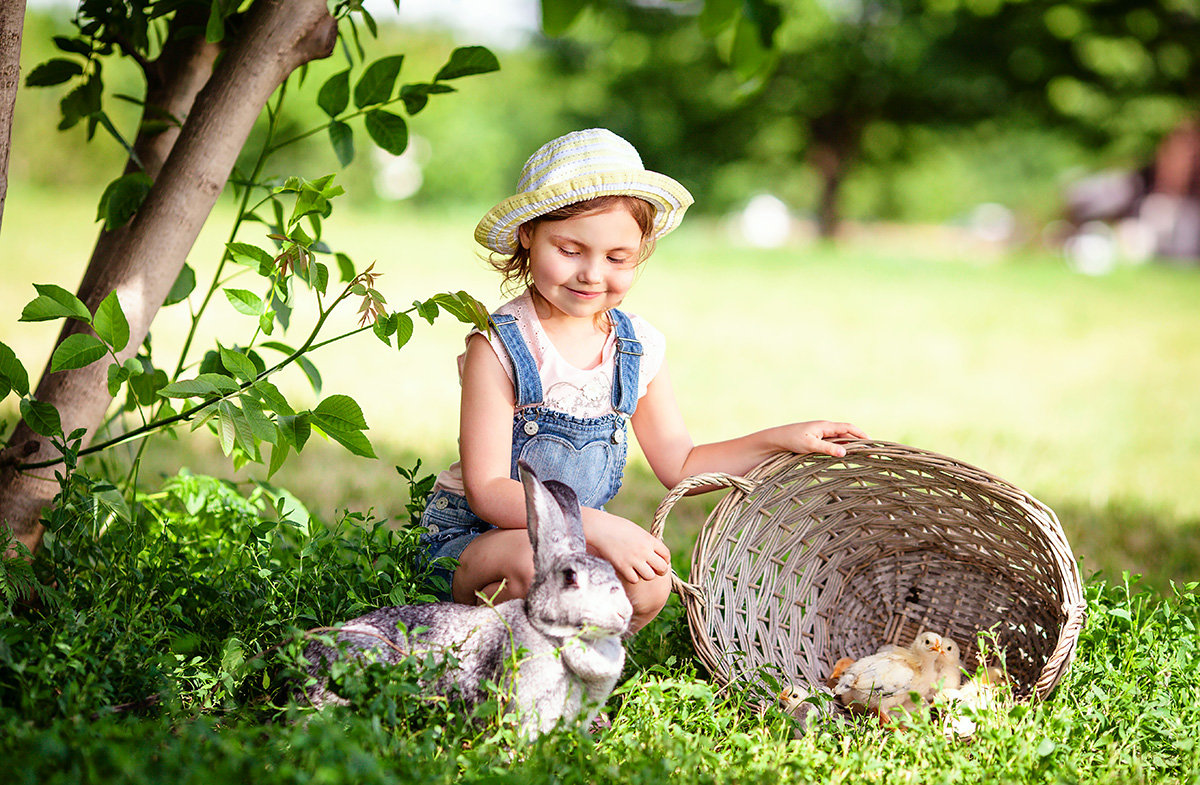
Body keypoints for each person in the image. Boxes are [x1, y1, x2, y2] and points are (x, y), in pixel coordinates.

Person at [416, 128, 865, 631]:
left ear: (640, 253)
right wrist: (600, 526)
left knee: (650, 583)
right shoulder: (499, 345)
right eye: (569, 250)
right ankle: (499, 654)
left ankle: (572, 665)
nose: (591, 274)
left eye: (616, 258)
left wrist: (777, 439)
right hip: (482, 542)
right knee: (538, 566)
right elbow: (488, 490)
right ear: (528, 234)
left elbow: (681, 463)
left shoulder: (637, 348)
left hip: (576, 542)